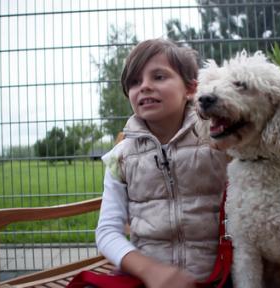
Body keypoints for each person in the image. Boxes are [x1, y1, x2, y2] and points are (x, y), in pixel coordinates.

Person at [95, 38, 229, 288]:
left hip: (218, 275)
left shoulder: (218, 139)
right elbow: (106, 233)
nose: (144, 86)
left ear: (191, 89)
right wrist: (150, 271)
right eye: (135, 82)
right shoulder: (120, 157)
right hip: (146, 279)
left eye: (158, 76)